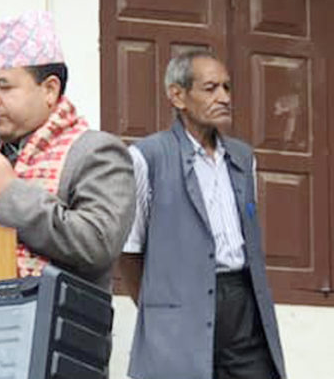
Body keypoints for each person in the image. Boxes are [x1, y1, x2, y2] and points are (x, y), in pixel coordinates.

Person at [119, 50, 286, 379]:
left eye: (226, 87)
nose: (224, 98)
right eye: (210, 88)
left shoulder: (243, 158)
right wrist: (162, 313)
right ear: (177, 96)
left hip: (242, 307)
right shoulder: (146, 157)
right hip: (181, 308)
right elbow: (129, 251)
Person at [0, 11, 135, 292]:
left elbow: (97, 244)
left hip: (54, 318)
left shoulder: (95, 153)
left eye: (4, 86)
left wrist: (9, 192)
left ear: (49, 90)